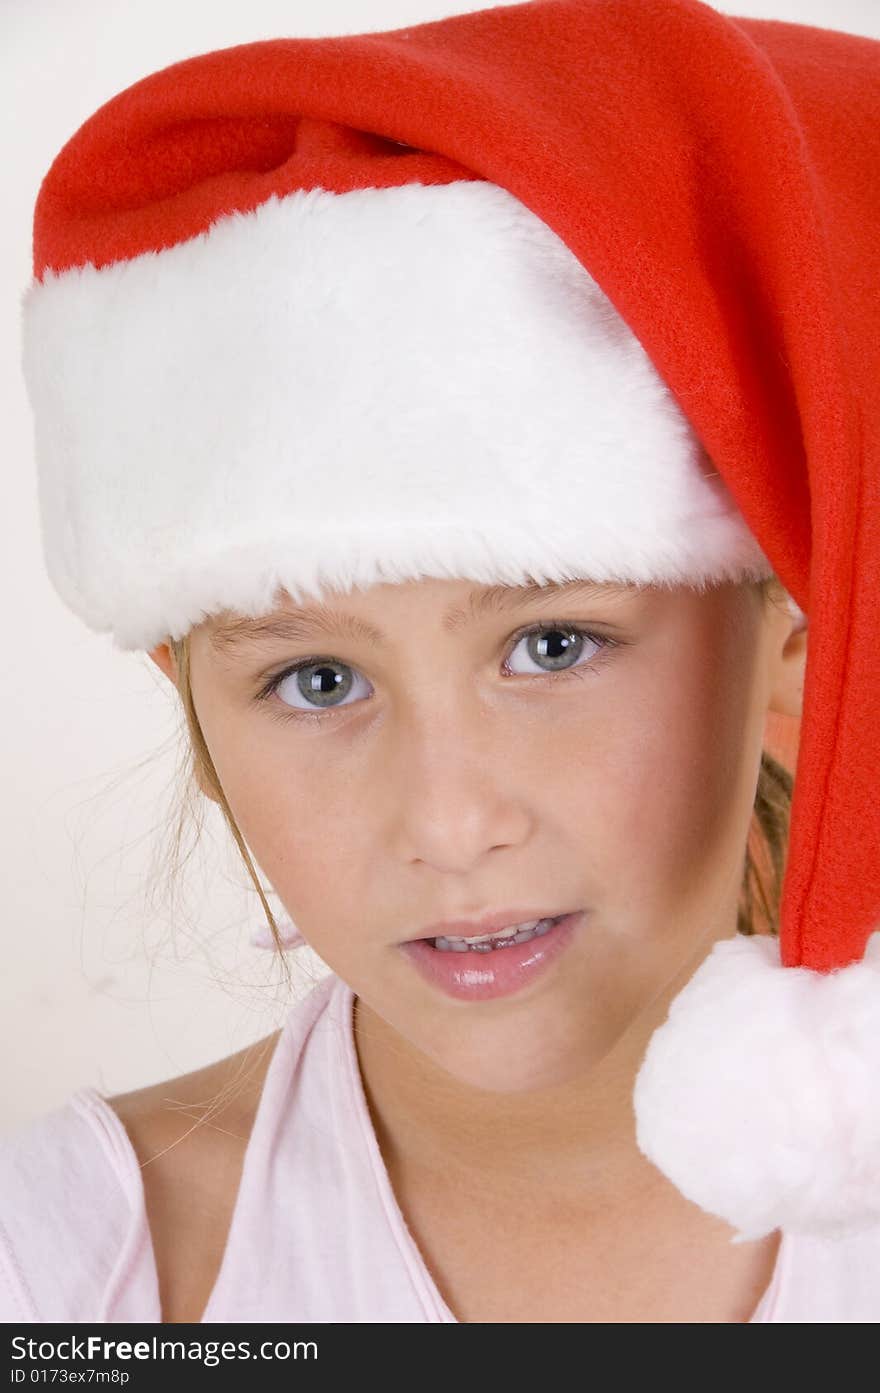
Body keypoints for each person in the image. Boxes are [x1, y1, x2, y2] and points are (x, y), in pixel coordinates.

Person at [3, 0, 879, 1323]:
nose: (451, 824)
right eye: (317, 680)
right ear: (191, 691)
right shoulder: (77, 1274)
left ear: (792, 642)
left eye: (552, 643)